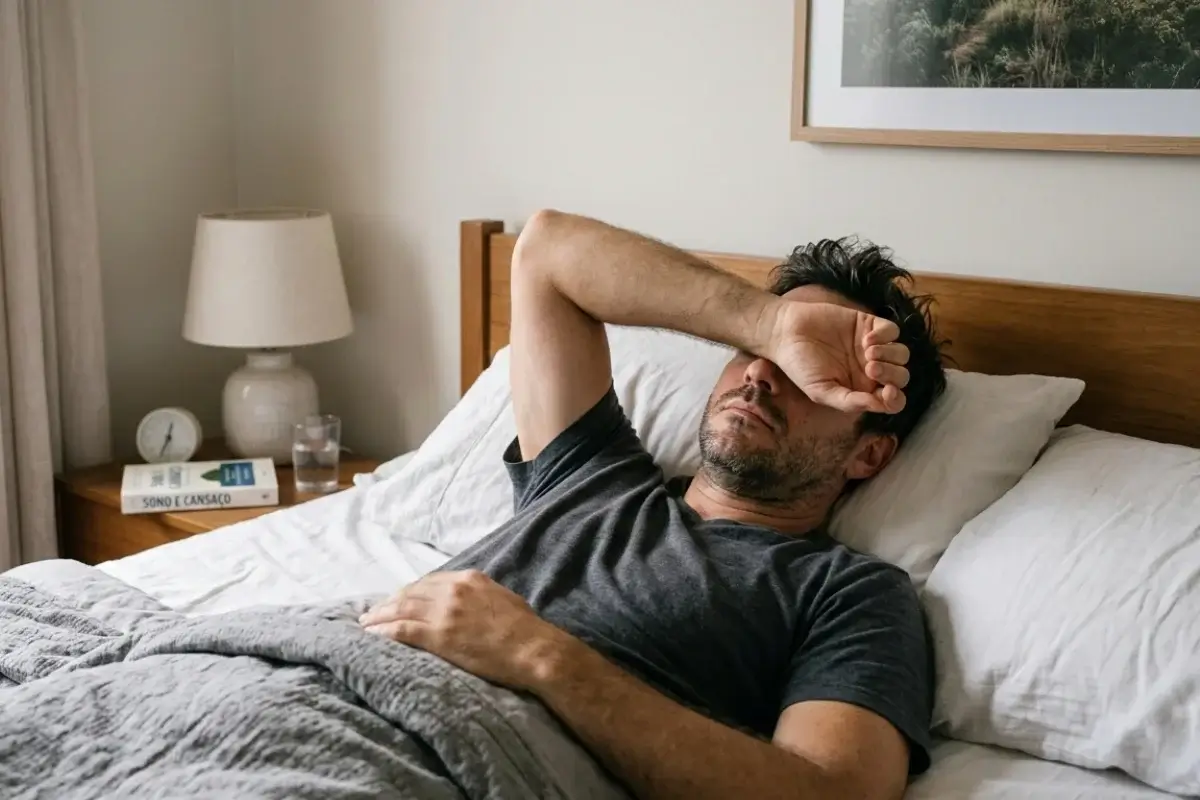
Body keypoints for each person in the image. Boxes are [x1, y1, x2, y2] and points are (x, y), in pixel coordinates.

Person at [360, 210, 947, 800]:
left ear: (868, 455)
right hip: (331, 674)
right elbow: (546, 251)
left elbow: (836, 792)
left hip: (439, 757)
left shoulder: (849, 593)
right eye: (754, 350)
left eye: (815, 372)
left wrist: (537, 653)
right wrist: (769, 322)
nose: (765, 374)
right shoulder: (590, 471)